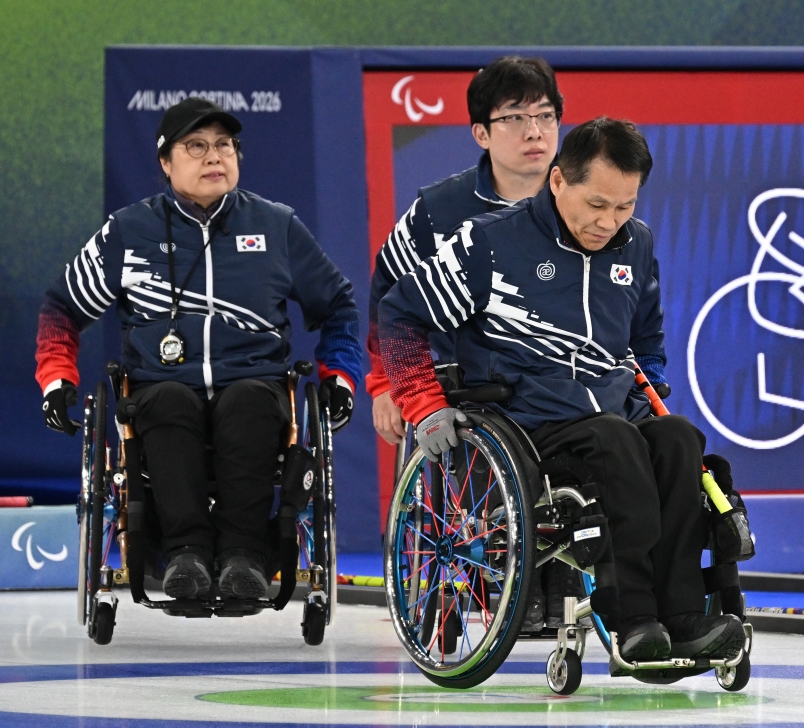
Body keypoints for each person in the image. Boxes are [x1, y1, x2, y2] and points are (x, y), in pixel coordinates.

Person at [377, 117, 745, 665]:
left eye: (624, 207)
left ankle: (685, 615)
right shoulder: (489, 242)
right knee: (615, 441)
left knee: (678, 439)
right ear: (557, 181)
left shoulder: (636, 244)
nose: (609, 222)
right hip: (528, 418)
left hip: (614, 410)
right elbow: (400, 315)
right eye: (596, 204)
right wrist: (423, 404)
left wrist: (649, 379)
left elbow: (646, 338)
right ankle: (632, 618)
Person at [35, 97, 361, 601]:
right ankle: (184, 554)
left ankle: (244, 557)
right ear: (165, 163)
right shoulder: (129, 231)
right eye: (196, 146)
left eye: (224, 145)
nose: (214, 156)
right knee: (168, 401)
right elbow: (62, 308)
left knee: (248, 400)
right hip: (160, 385)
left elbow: (338, 305)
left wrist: (340, 375)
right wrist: (57, 378)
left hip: (254, 382)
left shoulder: (276, 226)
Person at [367, 55, 599, 629]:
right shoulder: (438, 211)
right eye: (515, 118)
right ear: (481, 133)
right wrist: (385, 384)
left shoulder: (584, 202)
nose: (535, 131)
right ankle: (498, 585)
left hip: (560, 381)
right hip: (465, 386)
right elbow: (388, 295)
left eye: (545, 116)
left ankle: (572, 584)